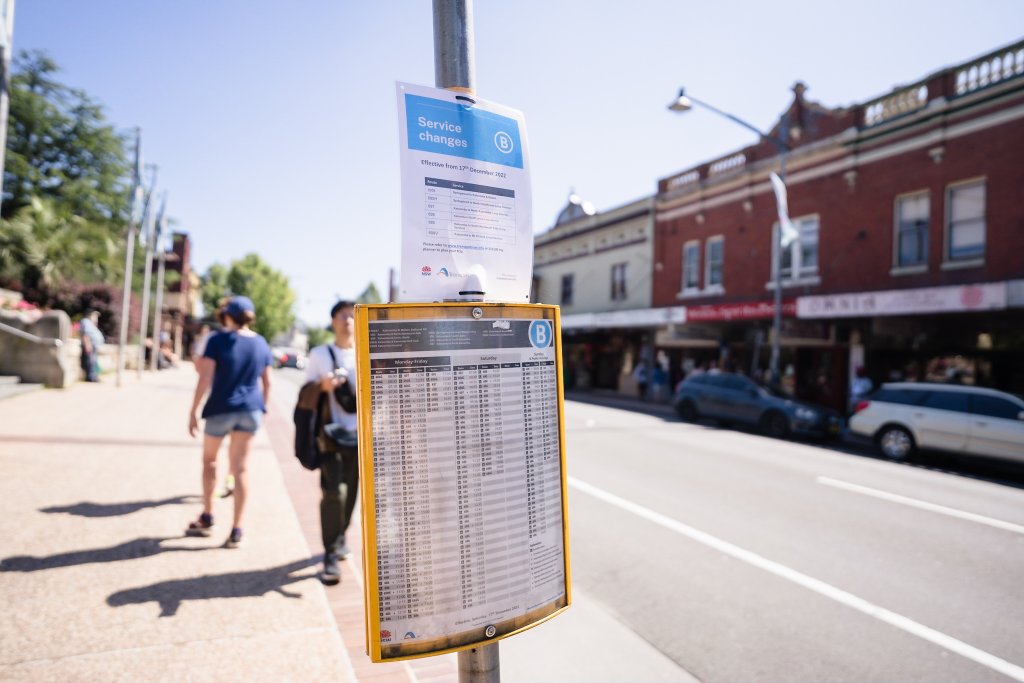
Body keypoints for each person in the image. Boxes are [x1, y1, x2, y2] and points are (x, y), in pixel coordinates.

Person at [186, 296, 273, 548]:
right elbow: (267, 383)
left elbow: (205, 377)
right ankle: (237, 529)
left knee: (210, 461)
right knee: (241, 469)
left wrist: (193, 410)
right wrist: (262, 410)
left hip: (220, 408)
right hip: (250, 411)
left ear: (227, 316)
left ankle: (208, 515)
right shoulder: (261, 343)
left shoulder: (218, 340)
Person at [305, 300, 359, 585]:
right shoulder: (319, 354)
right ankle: (329, 552)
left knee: (350, 496)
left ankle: (339, 538)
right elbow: (305, 394)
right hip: (329, 435)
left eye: (353, 315)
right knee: (333, 493)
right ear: (332, 321)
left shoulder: (367, 353)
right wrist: (322, 386)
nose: (348, 320)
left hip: (360, 438)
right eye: (343, 315)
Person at [79, 310, 104, 382]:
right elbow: (85, 334)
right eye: (95, 316)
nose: (96, 318)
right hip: (90, 345)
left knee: (93, 362)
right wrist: (87, 344)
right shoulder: (86, 321)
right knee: (90, 362)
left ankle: (93, 376)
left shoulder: (91, 324)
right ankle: (91, 377)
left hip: (93, 346)